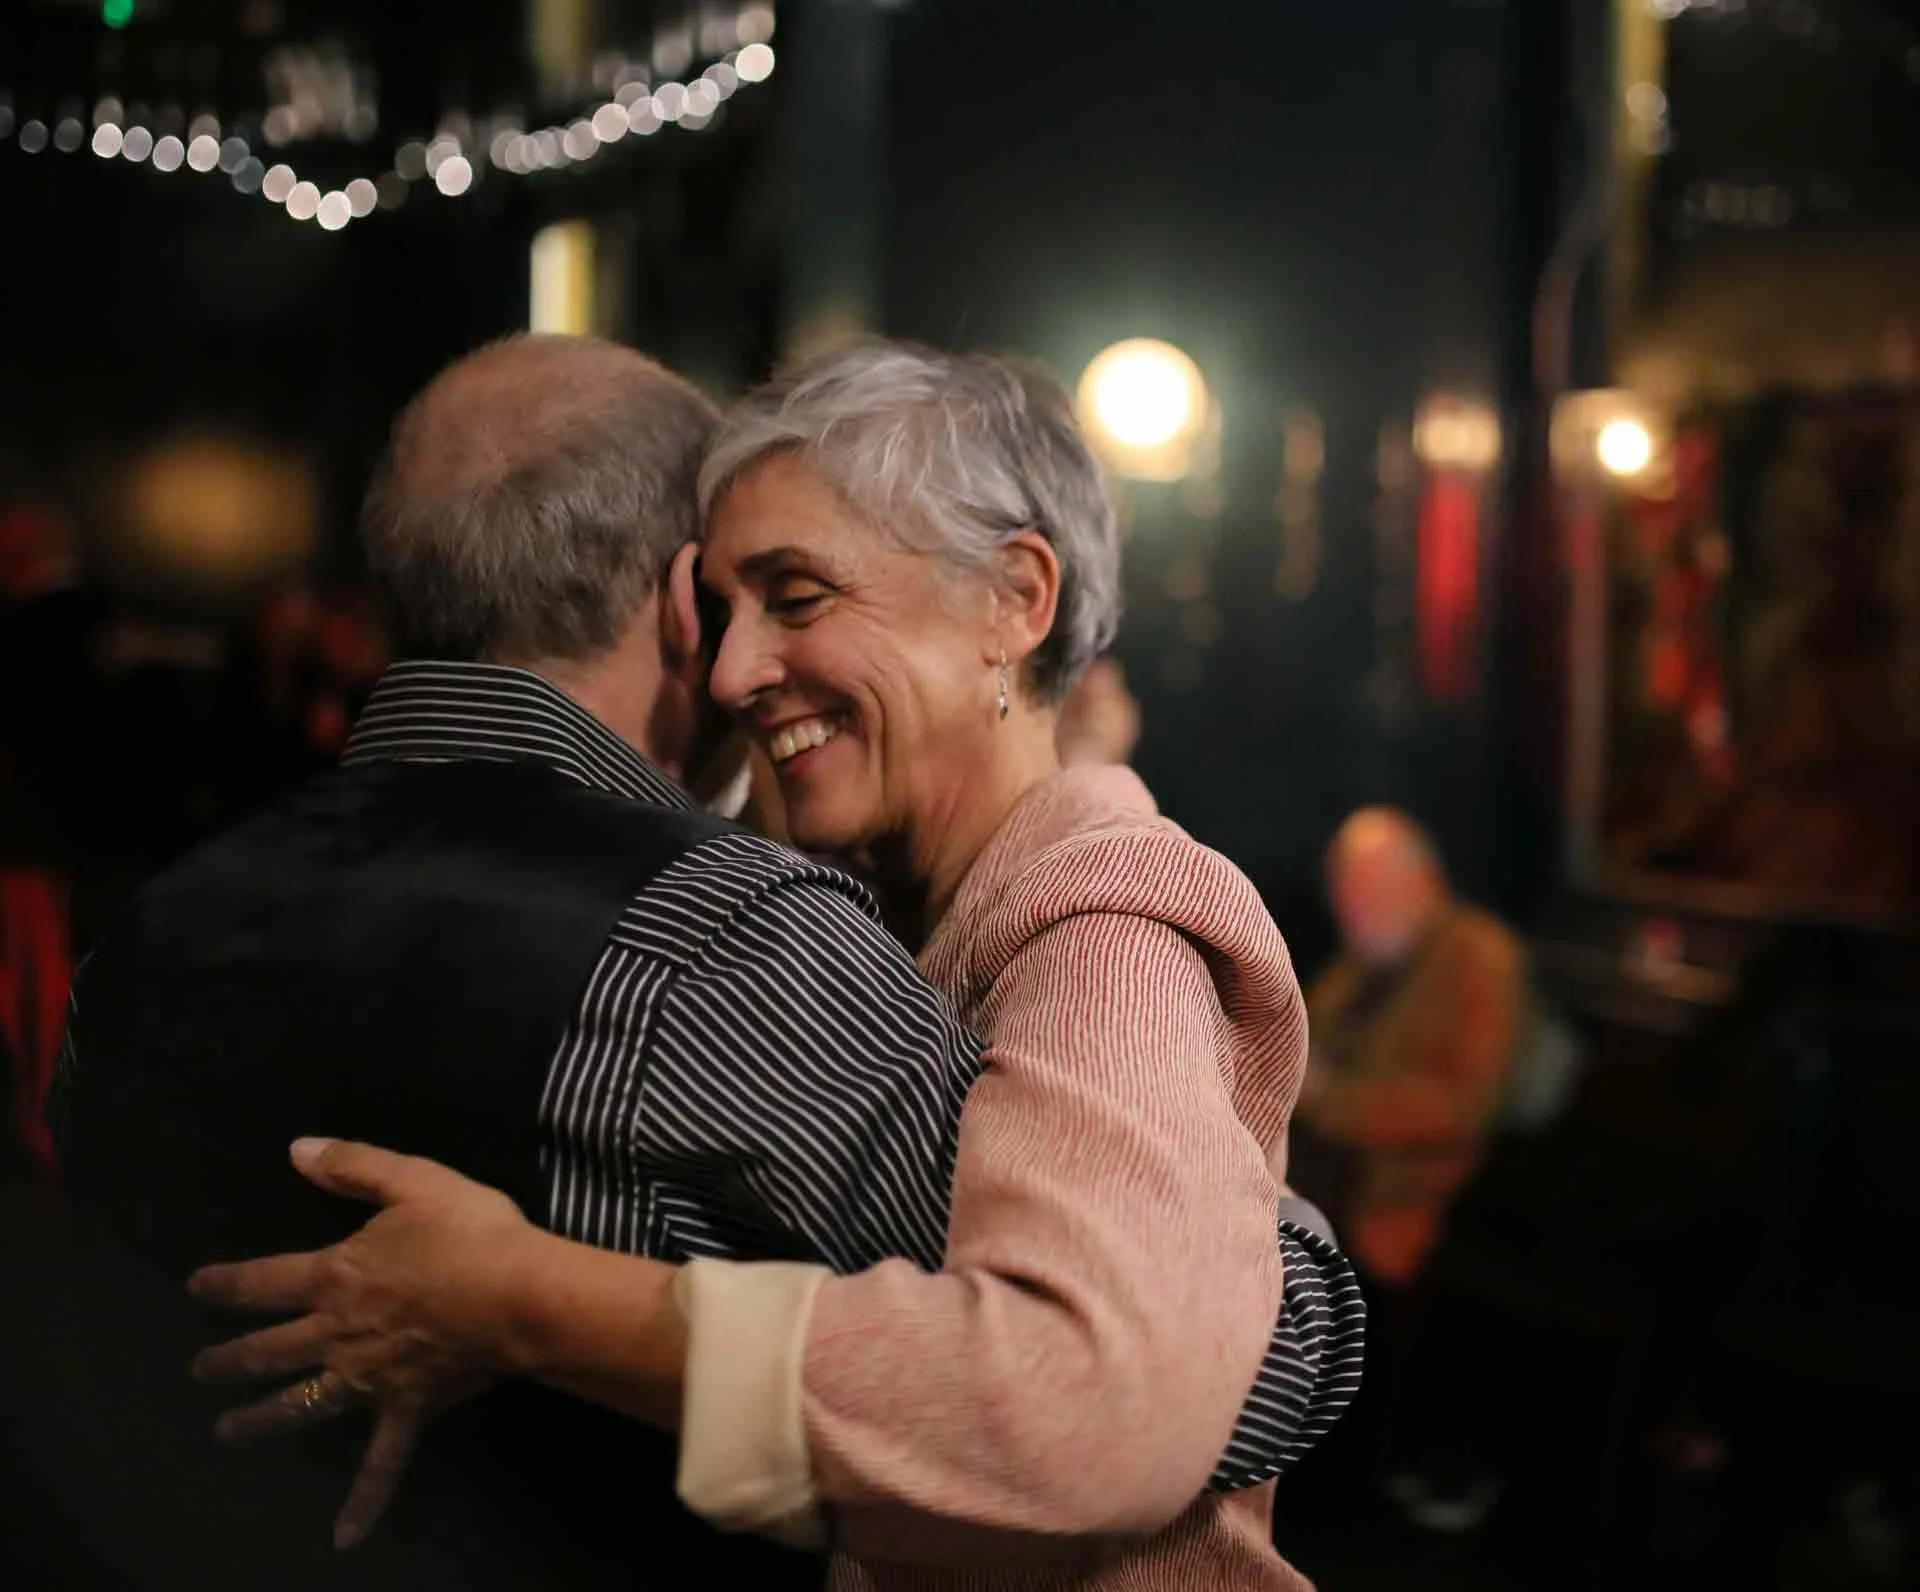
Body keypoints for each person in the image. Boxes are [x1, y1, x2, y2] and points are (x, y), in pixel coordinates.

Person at [45, 338, 1359, 1589]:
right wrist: (1287, 1260)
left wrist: (521, 1297)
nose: (735, 668)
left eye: (794, 598)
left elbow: (1095, 1401)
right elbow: (1196, 1380)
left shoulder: (154, 929)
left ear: (1017, 600)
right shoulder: (762, 934)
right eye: (728, 606)